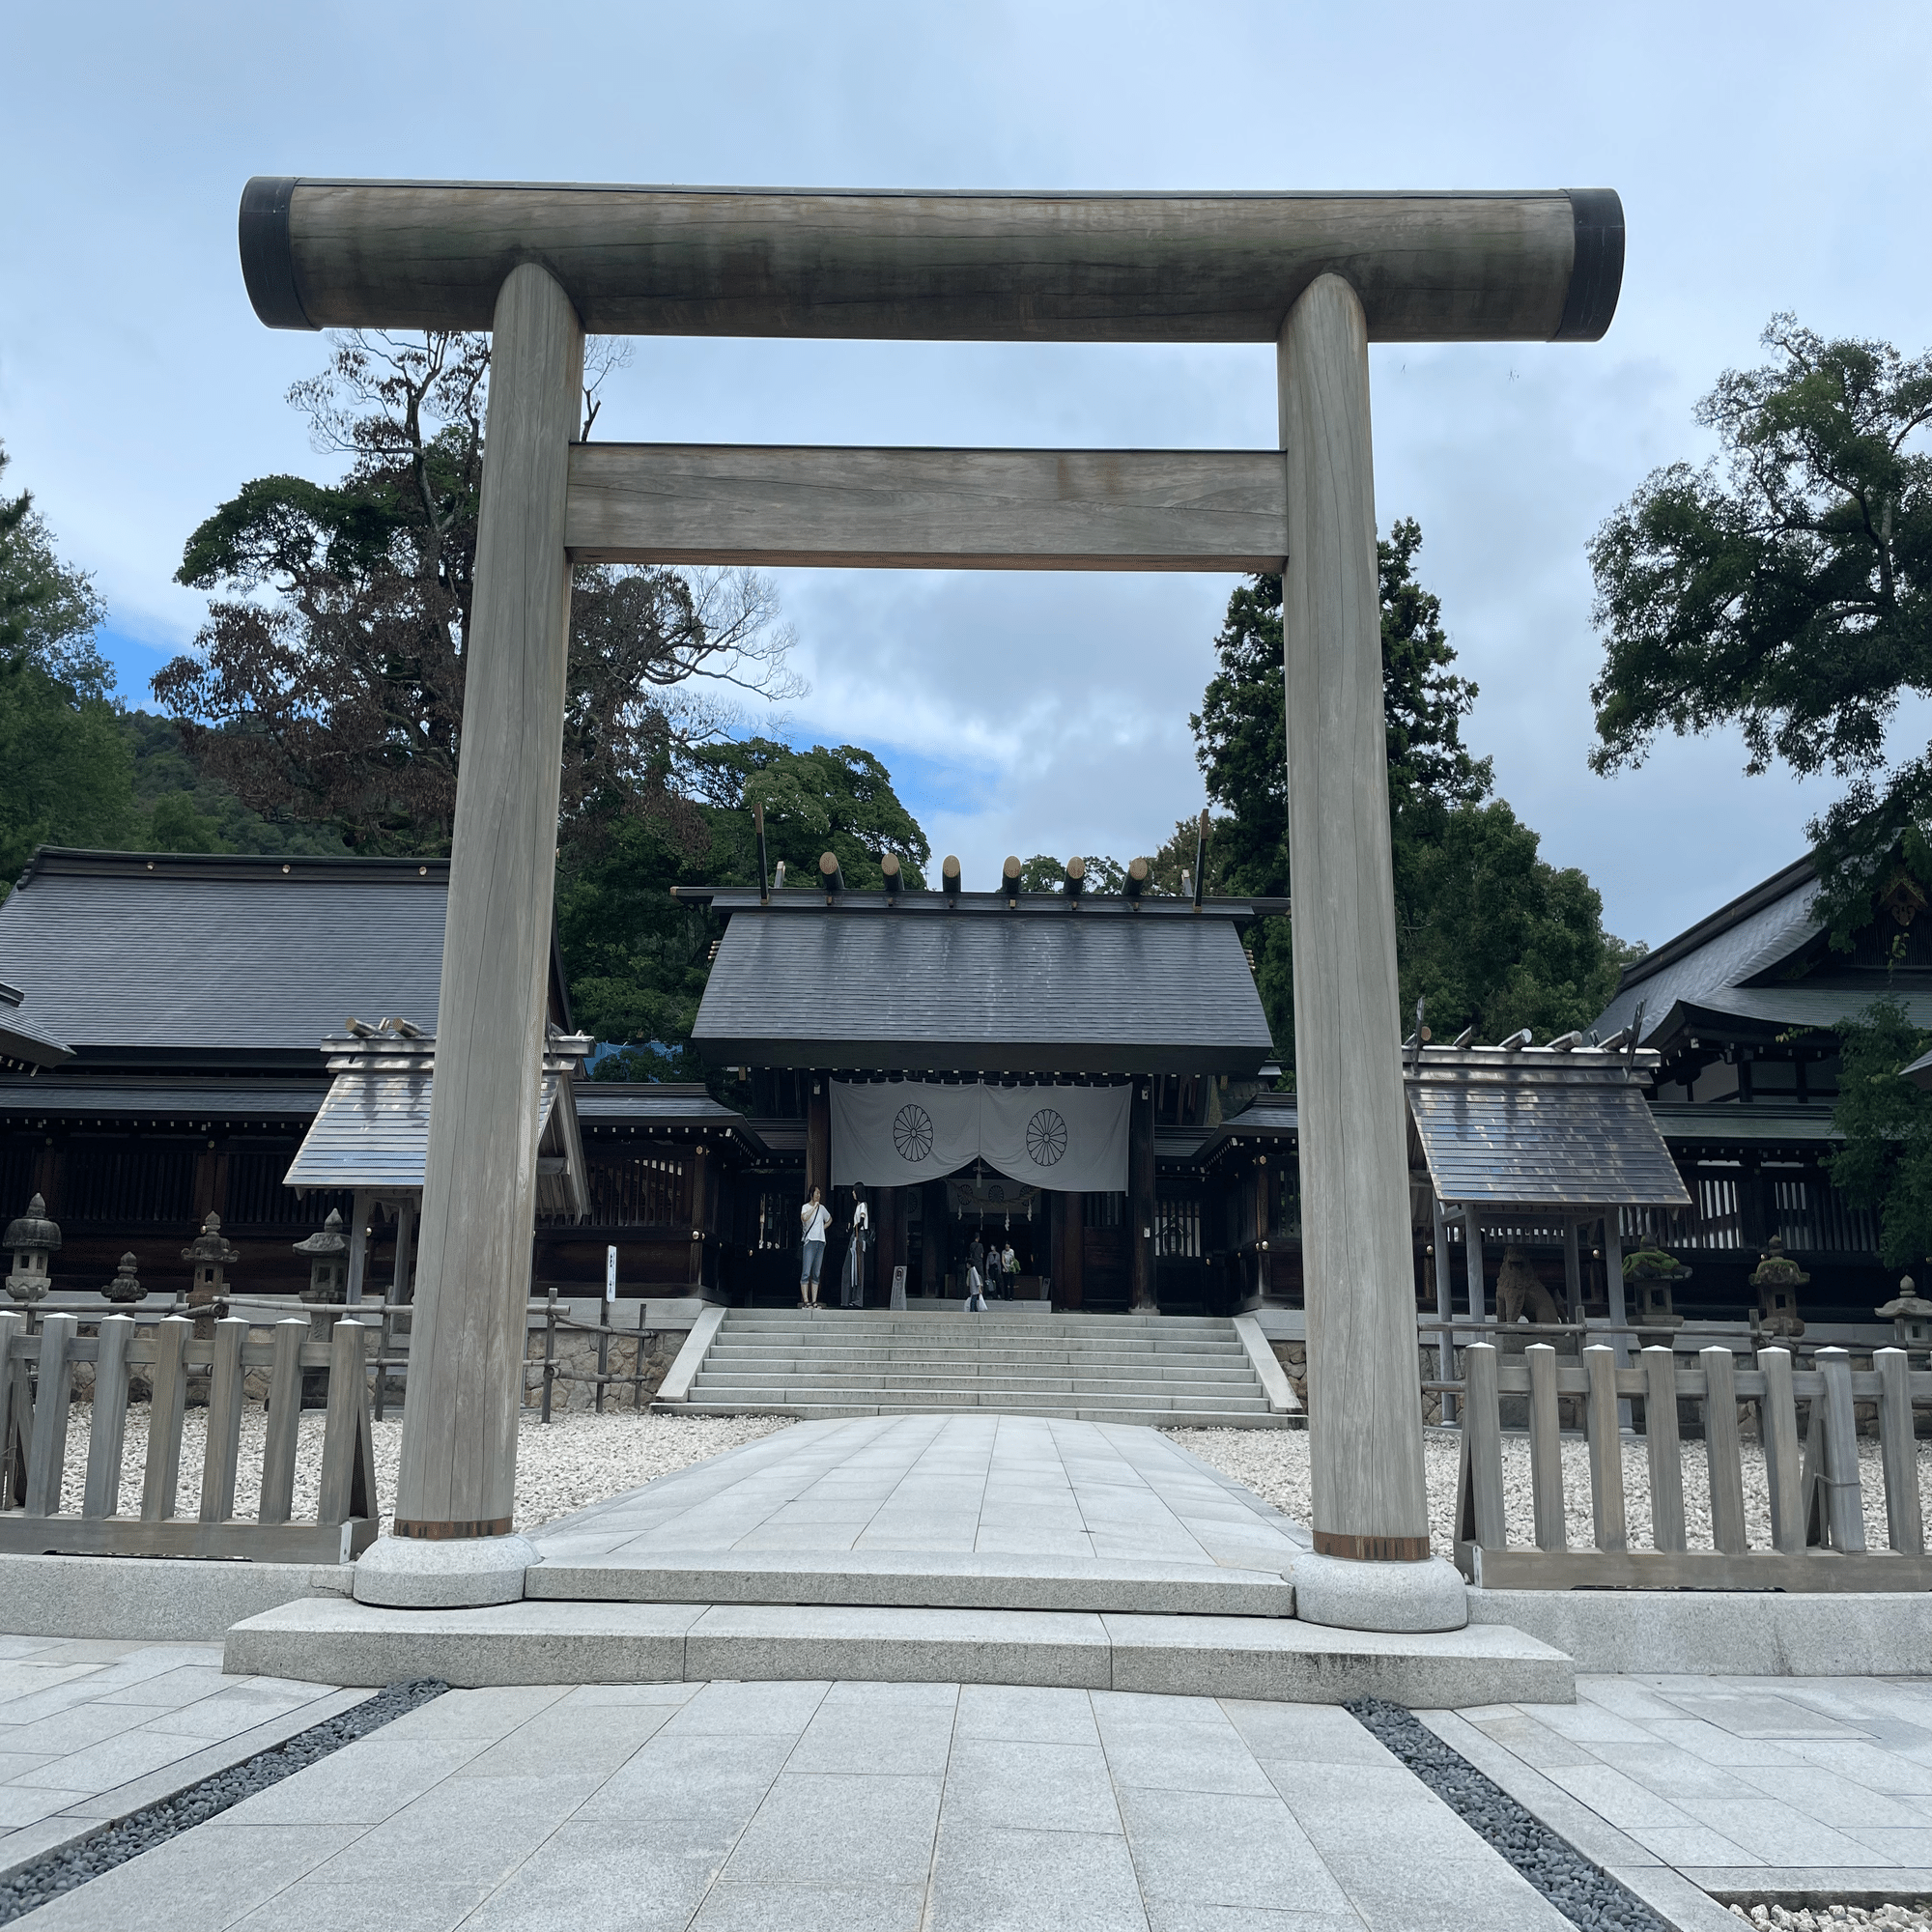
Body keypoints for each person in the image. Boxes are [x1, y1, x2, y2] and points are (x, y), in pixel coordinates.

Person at [799, 1186, 831, 1309]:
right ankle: (806, 1300)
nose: (819, 1195)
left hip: (820, 1241)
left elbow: (830, 1219)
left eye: (819, 1193)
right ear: (812, 1194)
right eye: (817, 1193)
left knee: (816, 1272)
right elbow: (804, 1218)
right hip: (810, 1241)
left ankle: (814, 1300)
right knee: (806, 1272)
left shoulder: (822, 1208)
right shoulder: (806, 1207)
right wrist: (814, 1208)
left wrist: (822, 1228)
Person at [842, 1190, 870, 1308]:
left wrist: (855, 1226)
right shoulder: (858, 1206)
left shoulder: (863, 1205)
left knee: (857, 1269)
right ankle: (849, 1299)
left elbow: (862, 1222)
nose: (852, 1193)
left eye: (854, 1190)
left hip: (858, 1236)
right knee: (852, 1269)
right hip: (856, 1236)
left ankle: (856, 1300)